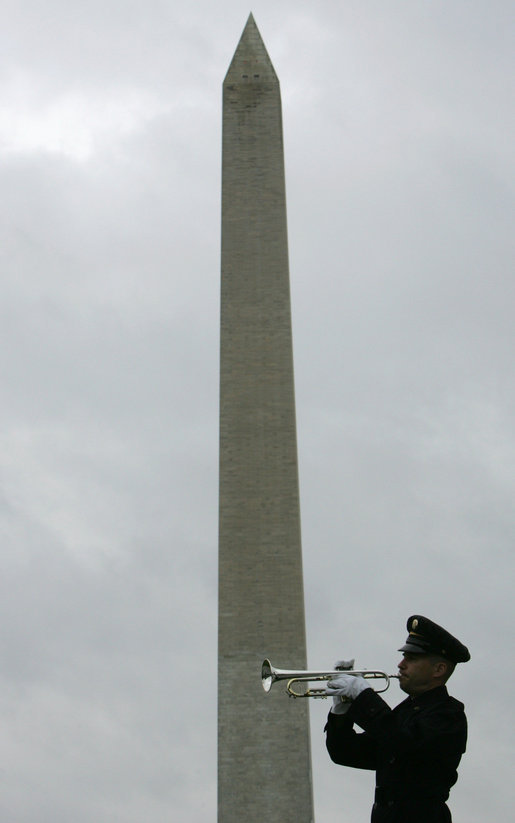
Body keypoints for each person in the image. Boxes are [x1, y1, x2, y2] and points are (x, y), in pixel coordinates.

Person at [324, 615, 470, 822]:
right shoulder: (406, 711)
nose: (401, 664)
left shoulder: (449, 715)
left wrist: (364, 696)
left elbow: (405, 743)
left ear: (439, 669)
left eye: (411, 658)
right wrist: (342, 711)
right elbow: (344, 753)